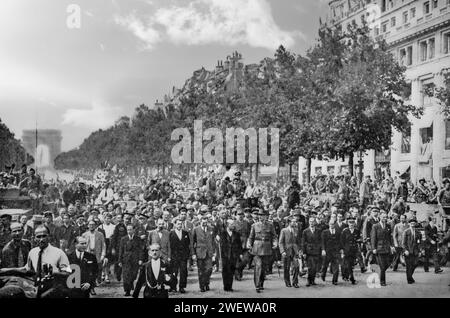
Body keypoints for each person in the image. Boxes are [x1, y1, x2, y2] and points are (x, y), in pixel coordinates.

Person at [247, 209, 277, 293]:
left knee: (264, 267)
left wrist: (275, 243)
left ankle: (261, 283)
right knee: (258, 266)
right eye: (259, 215)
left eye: (262, 215)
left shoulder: (270, 225)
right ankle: (257, 285)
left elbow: (274, 236)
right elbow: (250, 237)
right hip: (257, 247)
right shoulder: (254, 225)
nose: (260, 217)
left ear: (266, 216)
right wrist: (249, 244)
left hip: (267, 247)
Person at [118, 224, 144, 296]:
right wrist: (120, 260)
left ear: (133, 230)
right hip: (126, 259)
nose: (129, 231)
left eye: (130, 229)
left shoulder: (138, 239)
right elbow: (121, 250)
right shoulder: (123, 239)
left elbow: (140, 250)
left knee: (134, 275)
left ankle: (131, 283)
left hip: (135, 259)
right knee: (126, 275)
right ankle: (127, 291)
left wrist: (140, 259)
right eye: (128, 229)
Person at [192, 215, 215, 292]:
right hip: (200, 252)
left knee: (209, 269)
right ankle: (202, 286)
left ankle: (206, 283)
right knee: (201, 271)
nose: (205, 223)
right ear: (200, 221)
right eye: (203, 222)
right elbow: (192, 243)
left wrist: (214, 253)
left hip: (209, 253)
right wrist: (193, 254)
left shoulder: (211, 229)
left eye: (206, 222)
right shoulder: (196, 229)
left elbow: (213, 242)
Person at [370, 211, 394, 286]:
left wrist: (391, 246)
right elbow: (373, 238)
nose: (385, 219)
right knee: (382, 266)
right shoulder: (375, 226)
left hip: (386, 248)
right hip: (379, 248)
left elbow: (390, 237)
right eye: (383, 217)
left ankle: (379, 272)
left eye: (386, 217)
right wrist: (373, 248)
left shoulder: (388, 226)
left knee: (387, 263)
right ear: (380, 217)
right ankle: (382, 281)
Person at [82, 220, 106, 291]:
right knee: (89, 270)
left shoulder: (100, 234)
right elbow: (82, 245)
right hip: (88, 254)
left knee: (97, 269)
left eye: (93, 225)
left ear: (95, 226)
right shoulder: (84, 235)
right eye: (90, 225)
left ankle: (96, 281)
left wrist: (103, 255)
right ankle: (91, 287)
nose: (91, 226)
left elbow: (103, 245)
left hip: (97, 254)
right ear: (88, 226)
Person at [218, 218, 242, 292]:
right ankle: (226, 286)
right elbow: (221, 245)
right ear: (228, 225)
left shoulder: (236, 234)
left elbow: (239, 244)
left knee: (231, 270)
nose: (233, 226)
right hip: (225, 255)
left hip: (233, 255)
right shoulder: (223, 233)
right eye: (232, 225)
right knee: (225, 270)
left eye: (233, 224)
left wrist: (240, 253)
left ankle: (230, 286)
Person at [168, 219, 191, 293]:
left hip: (183, 256)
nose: (179, 225)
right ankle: (173, 286)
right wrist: (170, 256)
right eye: (178, 224)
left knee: (183, 272)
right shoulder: (171, 233)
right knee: (174, 272)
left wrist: (187, 254)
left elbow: (188, 244)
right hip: (174, 256)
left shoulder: (185, 233)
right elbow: (169, 246)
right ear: (174, 224)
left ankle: (182, 287)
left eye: (181, 224)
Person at [278, 216, 300, 288]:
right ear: (289, 223)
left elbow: (298, 241)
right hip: (287, 251)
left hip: (295, 251)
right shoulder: (284, 230)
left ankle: (295, 282)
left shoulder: (296, 230)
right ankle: (287, 282)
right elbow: (280, 242)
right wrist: (282, 251)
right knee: (286, 268)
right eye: (293, 222)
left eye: (295, 222)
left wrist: (299, 250)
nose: (294, 223)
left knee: (296, 267)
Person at [302, 217, 322, 286]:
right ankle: (308, 280)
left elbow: (320, 241)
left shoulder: (319, 231)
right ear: (308, 222)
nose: (312, 223)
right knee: (310, 267)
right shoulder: (305, 231)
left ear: (315, 222)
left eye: (313, 221)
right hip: (309, 251)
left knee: (315, 267)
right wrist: (304, 252)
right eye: (310, 221)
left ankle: (312, 280)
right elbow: (303, 242)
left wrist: (321, 249)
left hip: (316, 251)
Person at [321, 221, 342, 285]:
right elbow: (322, 242)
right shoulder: (325, 232)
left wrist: (341, 249)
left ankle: (335, 280)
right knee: (325, 265)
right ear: (328, 224)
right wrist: (323, 250)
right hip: (327, 251)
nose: (331, 225)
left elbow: (340, 241)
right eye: (330, 224)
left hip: (335, 251)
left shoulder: (338, 232)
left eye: (333, 224)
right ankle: (323, 275)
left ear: (334, 225)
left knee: (336, 266)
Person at [340, 218, 360, 284]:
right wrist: (342, 250)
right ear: (348, 224)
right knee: (348, 264)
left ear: (354, 224)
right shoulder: (345, 231)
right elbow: (342, 241)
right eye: (350, 223)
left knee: (351, 264)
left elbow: (358, 239)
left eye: (352, 223)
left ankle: (346, 276)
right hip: (347, 250)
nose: (351, 225)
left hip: (354, 250)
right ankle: (352, 278)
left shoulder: (357, 231)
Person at [402, 219, 422, 284]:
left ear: (415, 224)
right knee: (408, 266)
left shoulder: (418, 232)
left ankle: (410, 277)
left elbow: (419, 243)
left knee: (415, 264)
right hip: (408, 251)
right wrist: (405, 250)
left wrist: (420, 251)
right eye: (411, 223)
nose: (412, 224)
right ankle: (409, 279)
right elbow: (403, 243)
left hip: (415, 251)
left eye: (414, 223)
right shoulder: (406, 231)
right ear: (409, 224)